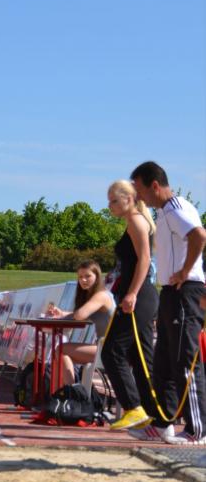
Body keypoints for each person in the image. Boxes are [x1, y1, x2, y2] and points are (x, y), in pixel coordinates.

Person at [131, 161, 206, 444]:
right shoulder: (163, 212)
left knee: (185, 360)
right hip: (170, 292)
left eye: (139, 189)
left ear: (155, 185)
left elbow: (199, 235)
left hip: (186, 290)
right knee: (163, 360)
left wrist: (185, 271)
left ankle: (198, 429)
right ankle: (163, 422)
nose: (138, 196)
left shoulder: (176, 208)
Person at [100, 180, 161, 431]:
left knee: (111, 351)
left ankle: (133, 408)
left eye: (114, 200)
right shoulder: (135, 221)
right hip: (139, 296)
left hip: (138, 296)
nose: (110, 206)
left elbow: (145, 259)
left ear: (129, 199)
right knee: (141, 359)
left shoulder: (136, 221)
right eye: (109, 201)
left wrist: (132, 293)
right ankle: (155, 416)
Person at [46, 259, 115, 385]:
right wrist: (61, 314)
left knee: (61, 349)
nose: (83, 280)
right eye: (80, 277)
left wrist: (69, 315)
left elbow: (80, 315)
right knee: (60, 353)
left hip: (111, 349)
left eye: (87, 276)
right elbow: (81, 315)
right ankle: (61, 392)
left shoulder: (101, 295)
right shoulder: (96, 296)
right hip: (104, 347)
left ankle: (69, 392)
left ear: (97, 276)